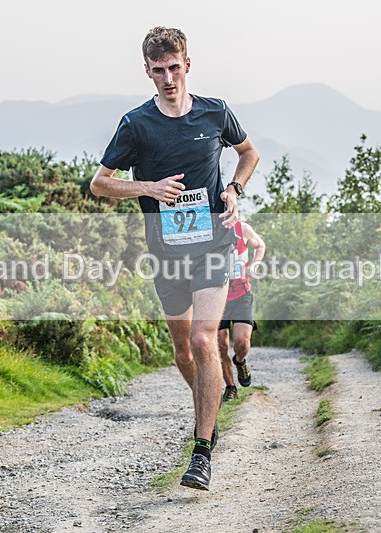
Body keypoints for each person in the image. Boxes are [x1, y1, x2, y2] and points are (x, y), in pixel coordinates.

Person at [89, 26, 259, 491]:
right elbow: (100, 183)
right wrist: (148, 187)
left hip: (213, 246)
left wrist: (233, 189)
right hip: (166, 255)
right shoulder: (136, 125)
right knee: (184, 351)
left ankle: (201, 450)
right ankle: (209, 408)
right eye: (159, 70)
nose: (168, 78)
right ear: (147, 71)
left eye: (175, 68)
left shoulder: (215, 112)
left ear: (188, 64)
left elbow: (248, 154)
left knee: (206, 342)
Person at [219, 220, 265, 402]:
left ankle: (239, 360)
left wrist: (255, 265)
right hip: (216, 297)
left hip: (241, 295)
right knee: (220, 347)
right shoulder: (206, 232)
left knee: (242, 341)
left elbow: (260, 245)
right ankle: (230, 387)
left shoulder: (242, 229)